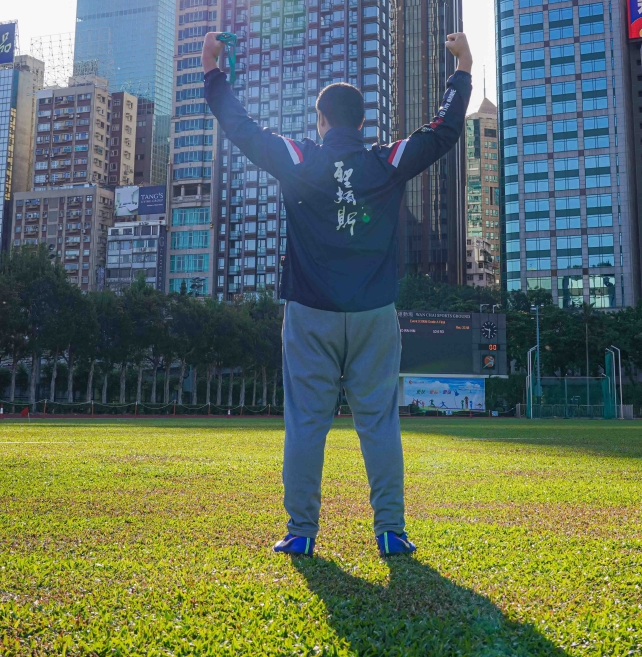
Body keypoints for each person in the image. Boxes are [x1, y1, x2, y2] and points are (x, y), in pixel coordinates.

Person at [201, 29, 473, 558]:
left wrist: (213, 70)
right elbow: (443, 131)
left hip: (309, 312)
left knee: (307, 423)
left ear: (321, 122)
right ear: (362, 124)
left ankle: (301, 532)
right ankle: (390, 531)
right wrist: (461, 68)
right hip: (374, 314)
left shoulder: (298, 157)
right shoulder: (385, 161)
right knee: (379, 423)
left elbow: (241, 127)